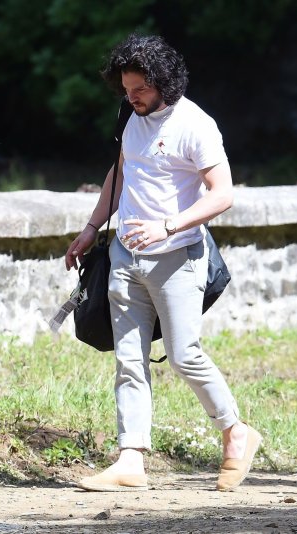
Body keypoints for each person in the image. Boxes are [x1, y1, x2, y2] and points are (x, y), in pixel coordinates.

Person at [64, 34, 261, 492]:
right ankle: (130, 460)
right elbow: (121, 170)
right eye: (126, 89)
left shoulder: (197, 125)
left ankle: (236, 431)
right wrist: (92, 228)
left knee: (185, 355)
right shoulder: (129, 118)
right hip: (123, 256)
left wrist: (168, 226)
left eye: (139, 90)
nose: (131, 97)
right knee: (129, 359)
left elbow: (223, 194)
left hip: (178, 258)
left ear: (164, 83)